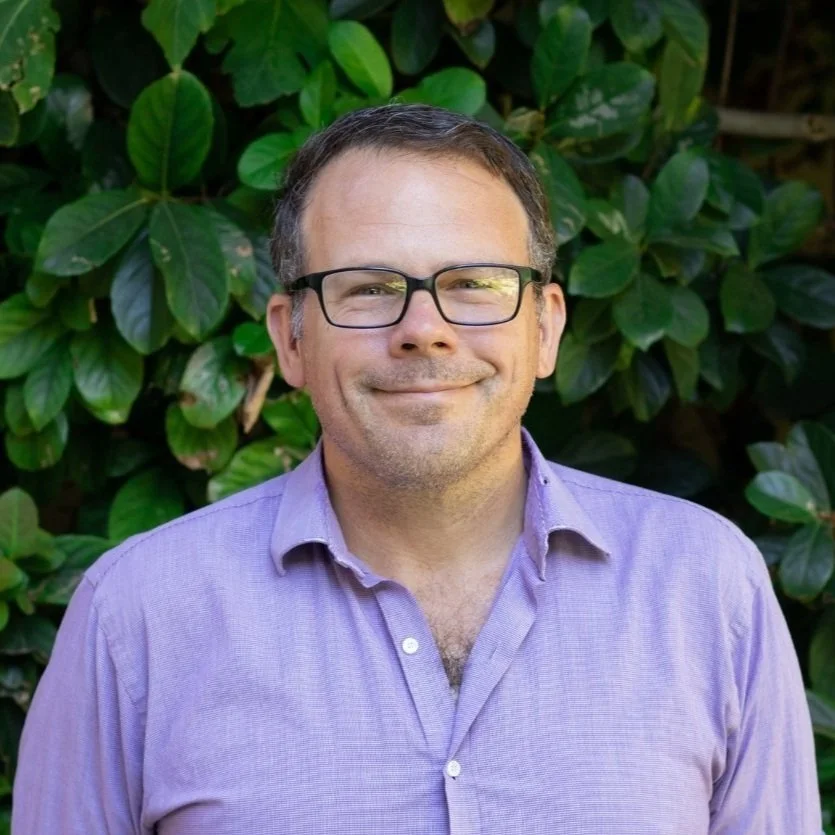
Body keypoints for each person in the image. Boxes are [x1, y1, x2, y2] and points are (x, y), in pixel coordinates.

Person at [13, 104, 821, 834]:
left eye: (473, 283)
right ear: (290, 337)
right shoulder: (137, 617)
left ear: (544, 327)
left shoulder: (708, 588)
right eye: (368, 288)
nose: (423, 329)